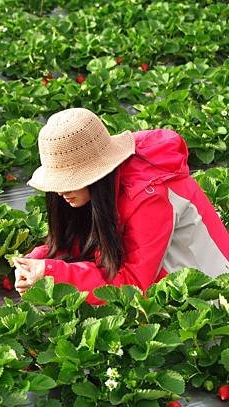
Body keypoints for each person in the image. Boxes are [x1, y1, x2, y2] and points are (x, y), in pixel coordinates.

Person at [13, 108, 229, 305]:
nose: (61, 191)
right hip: (162, 280)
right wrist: (39, 261)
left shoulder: (150, 198)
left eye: (70, 181)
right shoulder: (104, 187)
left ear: (96, 173)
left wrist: (53, 274)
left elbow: (132, 287)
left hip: (209, 293)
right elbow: (85, 240)